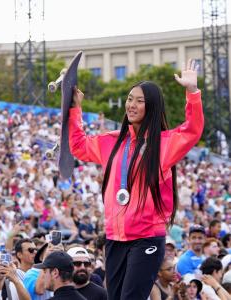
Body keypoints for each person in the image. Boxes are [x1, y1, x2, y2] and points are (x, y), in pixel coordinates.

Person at [69, 59, 203, 300]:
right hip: (114, 238)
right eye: (130, 99)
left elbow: (193, 129)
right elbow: (78, 146)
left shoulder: (164, 144)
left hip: (147, 238)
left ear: (151, 107)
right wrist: (74, 109)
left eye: (139, 101)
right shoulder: (111, 141)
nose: (131, 105)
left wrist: (192, 92)